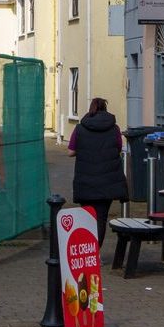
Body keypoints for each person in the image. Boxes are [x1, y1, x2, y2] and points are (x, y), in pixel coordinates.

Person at [68, 97, 127, 246]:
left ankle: (88, 252)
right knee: (101, 218)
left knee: (87, 217)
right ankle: (96, 252)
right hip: (107, 182)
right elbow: (118, 148)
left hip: (85, 181)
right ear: (105, 109)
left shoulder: (80, 128)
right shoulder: (115, 129)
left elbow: (70, 151)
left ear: (91, 108)